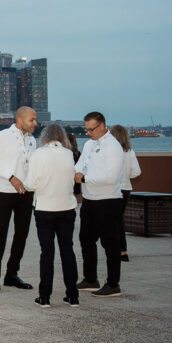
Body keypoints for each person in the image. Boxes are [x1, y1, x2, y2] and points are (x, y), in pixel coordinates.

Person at [0, 106, 38, 293]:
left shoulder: (32, 140)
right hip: (6, 191)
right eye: (32, 120)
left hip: (26, 193)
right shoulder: (2, 136)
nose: (35, 123)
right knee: (0, 234)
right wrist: (11, 177)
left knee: (21, 235)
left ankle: (12, 274)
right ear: (20, 119)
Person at [24, 123, 80, 308]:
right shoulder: (68, 154)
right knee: (67, 251)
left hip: (45, 209)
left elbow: (30, 184)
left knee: (47, 253)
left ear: (45, 137)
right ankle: (73, 296)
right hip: (66, 208)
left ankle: (45, 297)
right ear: (61, 136)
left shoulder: (39, 154)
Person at [75, 112, 126, 297]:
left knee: (110, 243)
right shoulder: (89, 144)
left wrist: (85, 178)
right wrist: (79, 175)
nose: (88, 133)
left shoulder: (113, 146)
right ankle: (90, 279)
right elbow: (78, 167)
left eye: (91, 129)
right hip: (89, 200)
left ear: (103, 125)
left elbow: (111, 177)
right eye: (86, 129)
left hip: (108, 201)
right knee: (86, 239)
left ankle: (113, 284)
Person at [109, 125, 141, 261]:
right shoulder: (130, 152)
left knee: (111, 221)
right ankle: (123, 251)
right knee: (119, 220)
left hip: (112, 189)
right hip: (126, 188)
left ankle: (115, 249)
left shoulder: (110, 152)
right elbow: (136, 172)